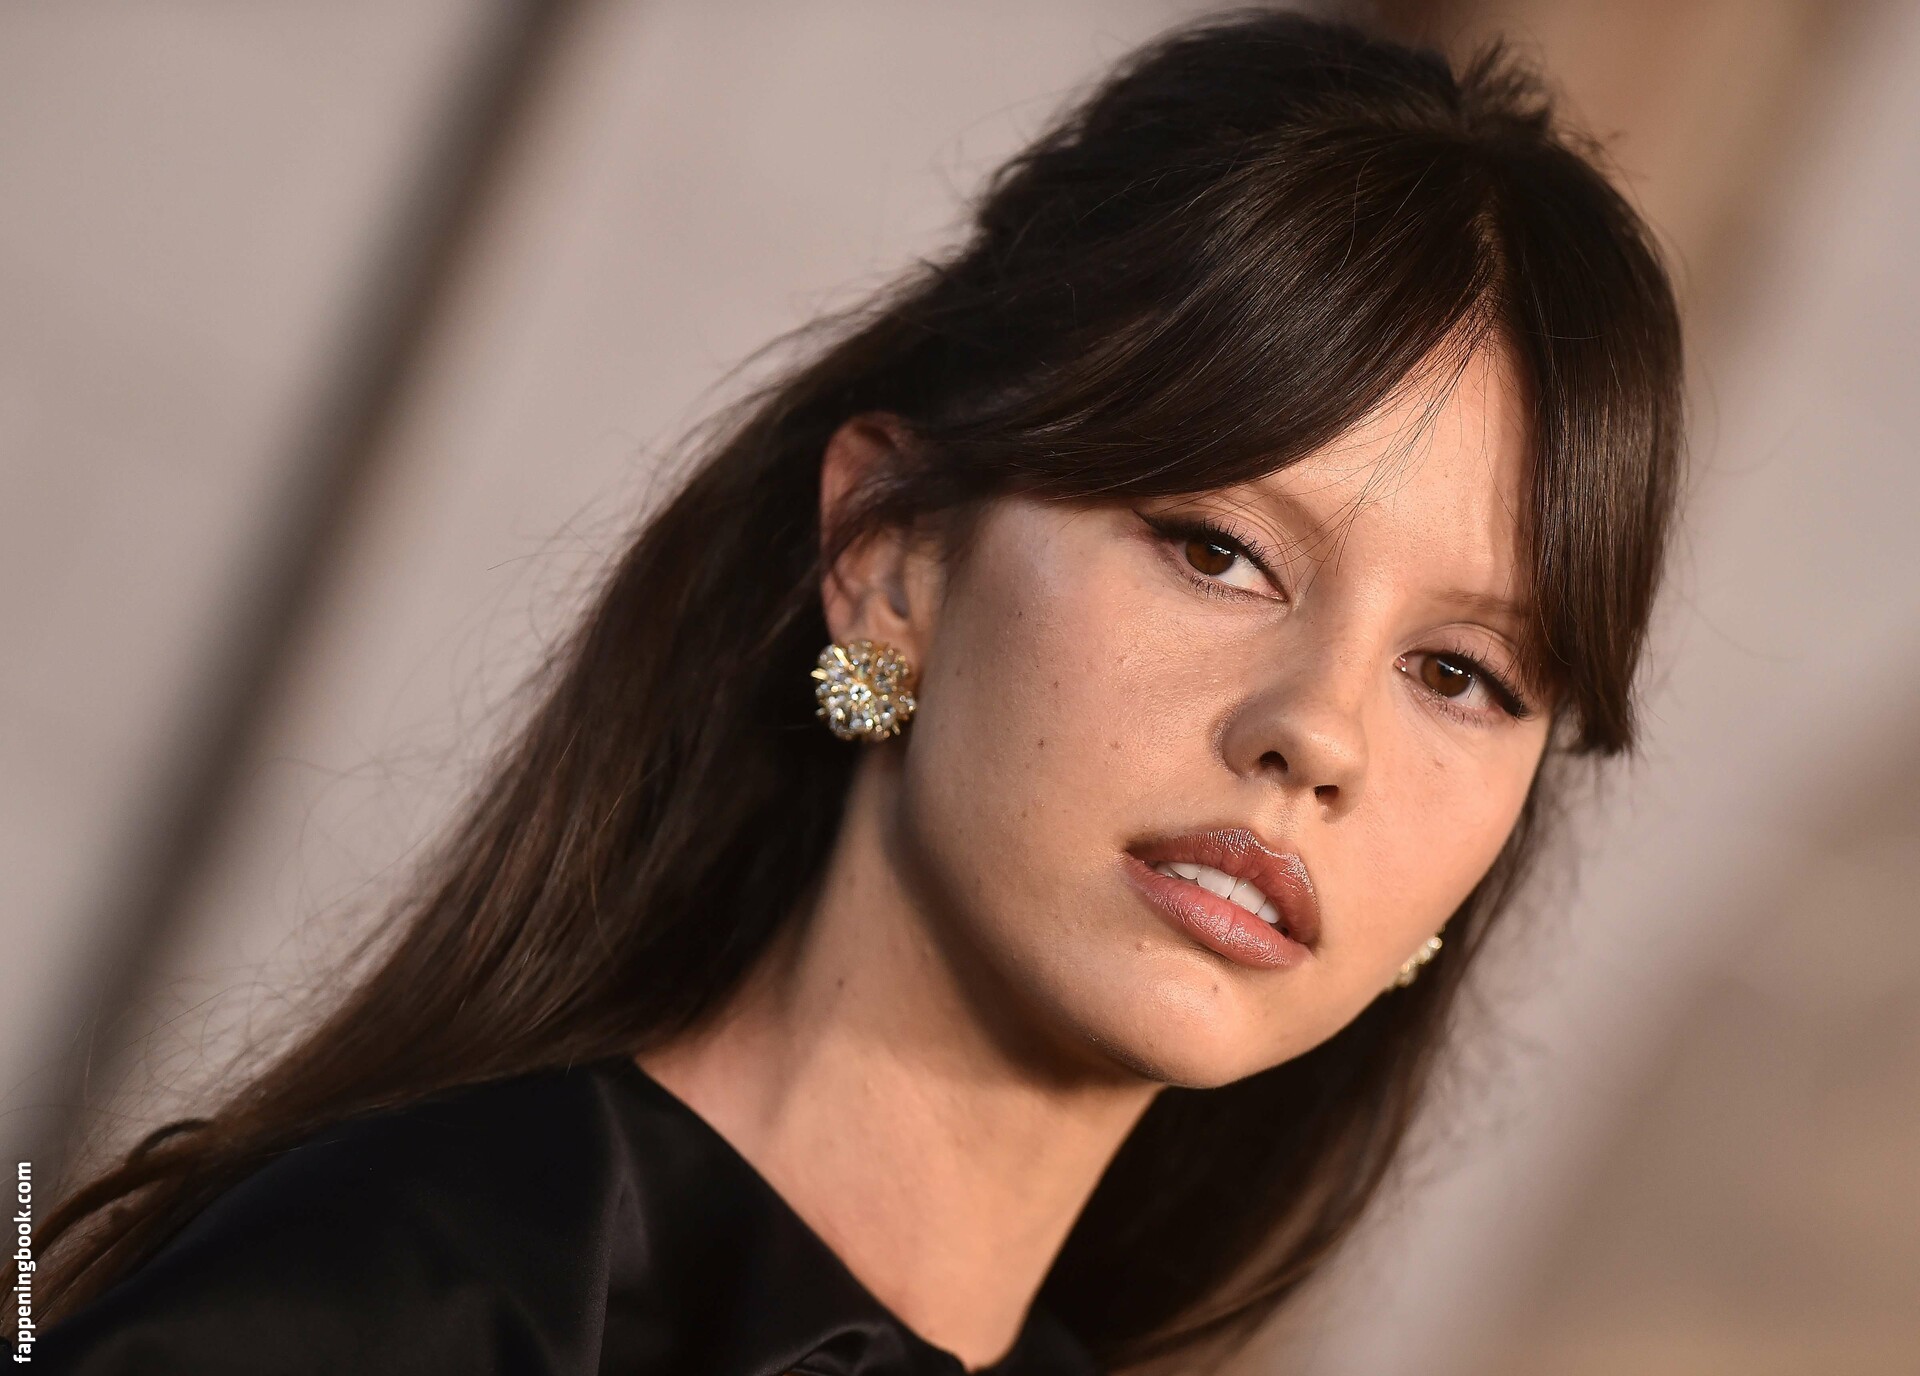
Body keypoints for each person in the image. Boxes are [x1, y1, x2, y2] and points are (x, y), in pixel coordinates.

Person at [32, 10, 1683, 1375]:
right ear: (893, 557)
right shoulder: (405, 1302)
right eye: (1217, 551)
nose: (1318, 734)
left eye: (1461, 673)